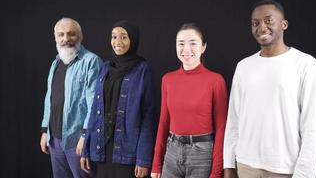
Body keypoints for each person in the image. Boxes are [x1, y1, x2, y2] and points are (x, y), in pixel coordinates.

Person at [223, 0, 316, 178]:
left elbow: (313, 128)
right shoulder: (244, 66)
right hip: (246, 166)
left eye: (268, 20)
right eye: (256, 23)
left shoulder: (306, 65)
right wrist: (229, 166)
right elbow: (234, 121)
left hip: (286, 169)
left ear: (284, 24)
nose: (262, 27)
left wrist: (304, 174)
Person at [80, 20, 157, 178]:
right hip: (102, 148)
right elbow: (95, 110)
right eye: (114, 37)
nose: (117, 42)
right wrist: (86, 150)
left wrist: (143, 159)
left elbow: (149, 116)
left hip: (127, 150)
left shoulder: (142, 69)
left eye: (123, 37)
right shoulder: (106, 67)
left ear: (133, 40)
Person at [151, 23, 228, 178]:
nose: (186, 49)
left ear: (203, 47)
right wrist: (156, 163)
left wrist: (217, 172)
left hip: (202, 154)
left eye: (193, 43)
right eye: (181, 43)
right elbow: (164, 121)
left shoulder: (215, 81)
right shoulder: (168, 79)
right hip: (172, 152)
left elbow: (221, 128)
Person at [40, 17, 103, 178]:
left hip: (77, 142)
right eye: (61, 35)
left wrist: (85, 136)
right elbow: (50, 99)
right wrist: (45, 131)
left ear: (81, 37)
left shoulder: (91, 61)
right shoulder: (56, 63)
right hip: (55, 141)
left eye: (71, 34)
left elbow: (95, 105)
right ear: (55, 38)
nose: (65, 39)